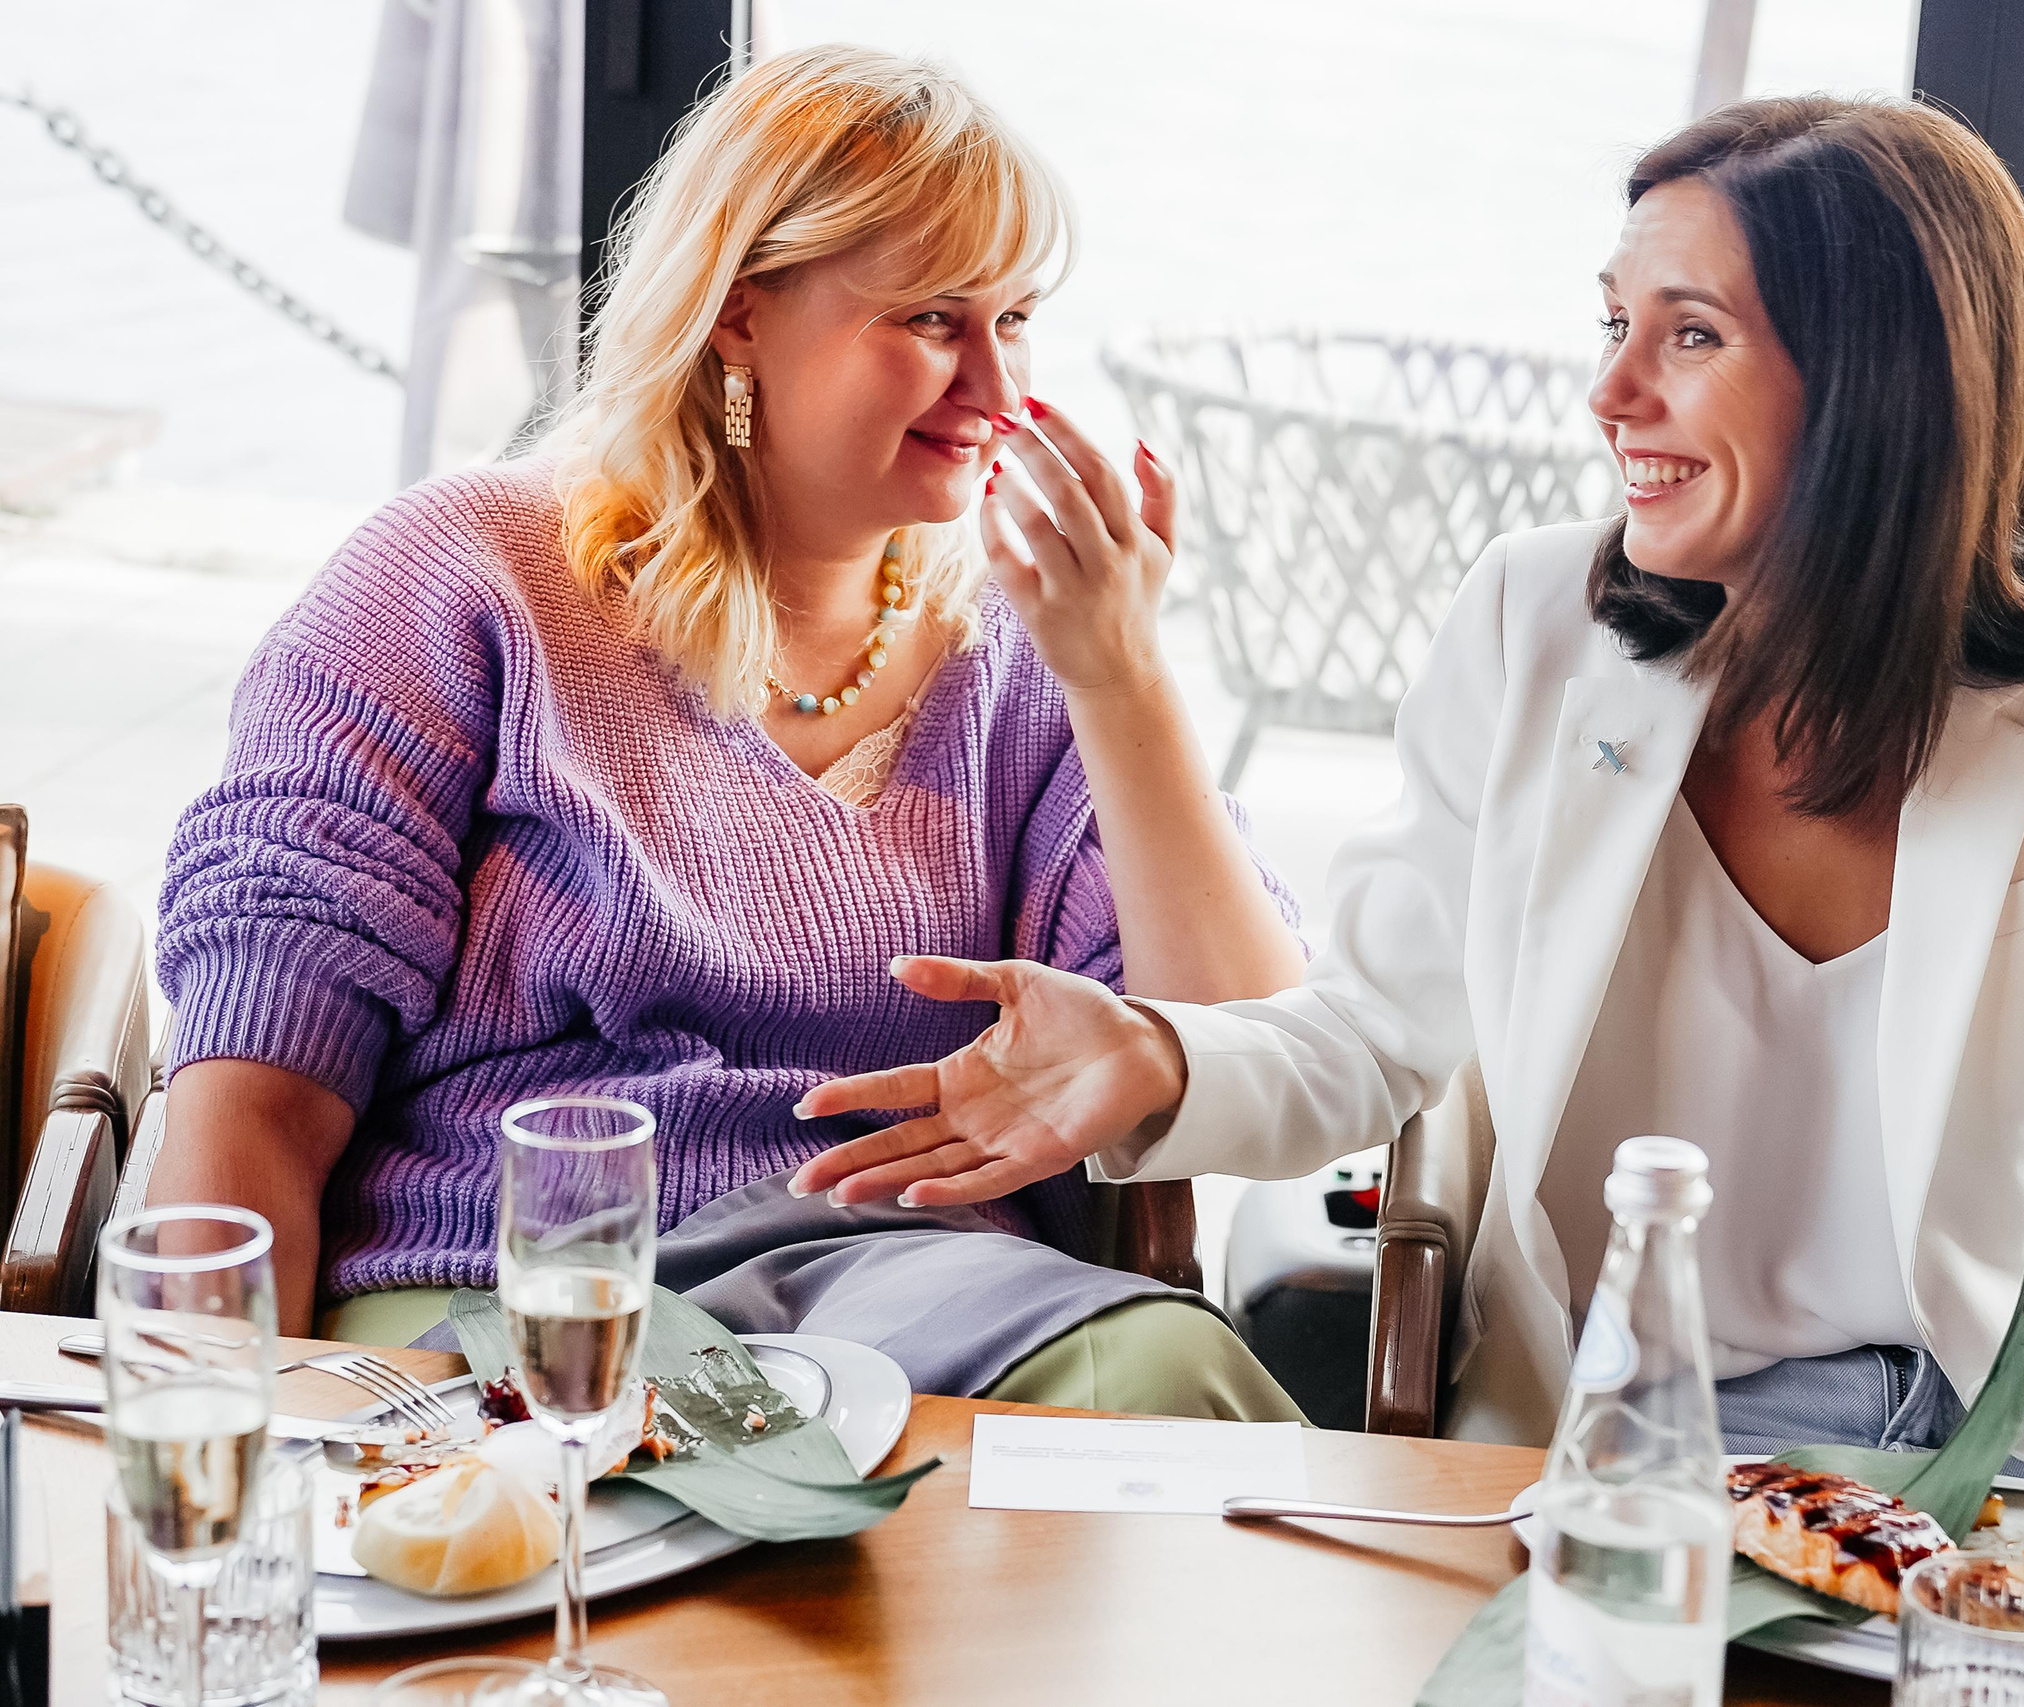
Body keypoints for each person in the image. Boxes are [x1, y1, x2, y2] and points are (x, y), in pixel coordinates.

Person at [787, 96, 2024, 1524]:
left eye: (1691, 336)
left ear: (1883, 380)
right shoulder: (1533, 627)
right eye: (1615, 324)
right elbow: (1376, 1034)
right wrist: (1161, 1060)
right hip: (1634, 1470)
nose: (1610, 397)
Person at [152, 46, 1308, 1420]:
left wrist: (1124, 679)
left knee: (1173, 1378)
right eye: (936, 319)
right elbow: (256, 1096)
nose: (999, 388)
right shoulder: (460, 582)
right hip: (514, 1282)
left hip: (920, 1294)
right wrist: (236, 1461)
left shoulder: (1031, 656)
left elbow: (1251, 1061)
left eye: (1019, 318)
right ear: (740, 312)